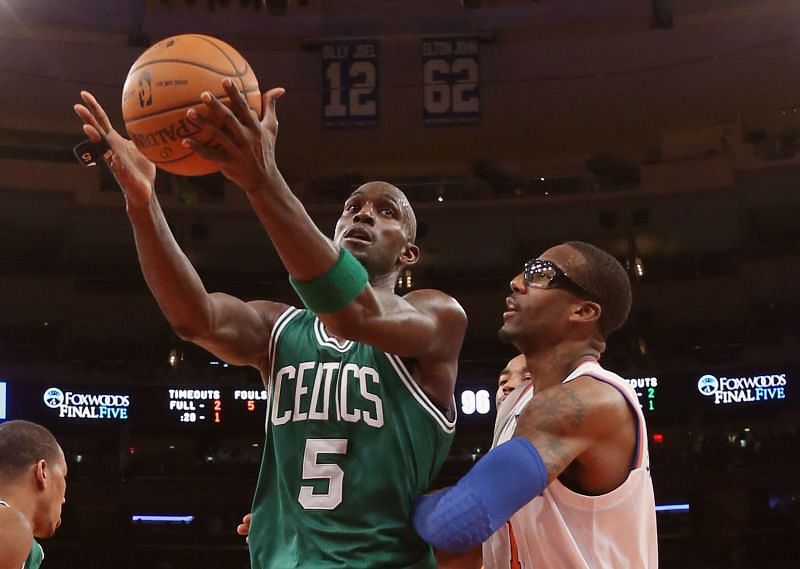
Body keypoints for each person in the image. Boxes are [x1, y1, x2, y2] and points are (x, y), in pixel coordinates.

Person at [74, 80, 467, 569]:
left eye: (385, 212)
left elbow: (357, 313)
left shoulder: (438, 317)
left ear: (408, 253)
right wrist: (143, 203)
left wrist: (263, 179)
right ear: (332, 234)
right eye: (352, 208)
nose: (363, 214)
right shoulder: (280, 328)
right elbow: (194, 318)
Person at [413, 242, 658, 568]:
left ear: (583, 311)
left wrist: (372, 506)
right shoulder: (518, 403)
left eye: (540, 274)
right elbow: (474, 545)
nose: (516, 281)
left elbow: (455, 524)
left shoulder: (590, 401)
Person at [0, 420, 68, 569]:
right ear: (42, 472)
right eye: (63, 475)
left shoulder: (30, 548)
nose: (63, 499)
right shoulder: (9, 525)